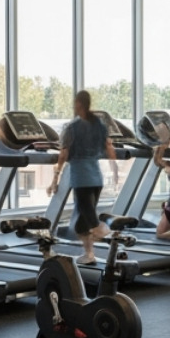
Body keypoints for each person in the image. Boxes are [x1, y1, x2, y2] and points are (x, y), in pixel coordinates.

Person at [53, 90, 116, 265]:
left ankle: (112, 234)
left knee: (92, 221)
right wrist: (115, 168)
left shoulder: (72, 128)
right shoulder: (100, 125)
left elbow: (63, 154)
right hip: (96, 178)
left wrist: (55, 177)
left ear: (79, 104)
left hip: (81, 179)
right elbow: (109, 147)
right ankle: (89, 254)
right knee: (81, 225)